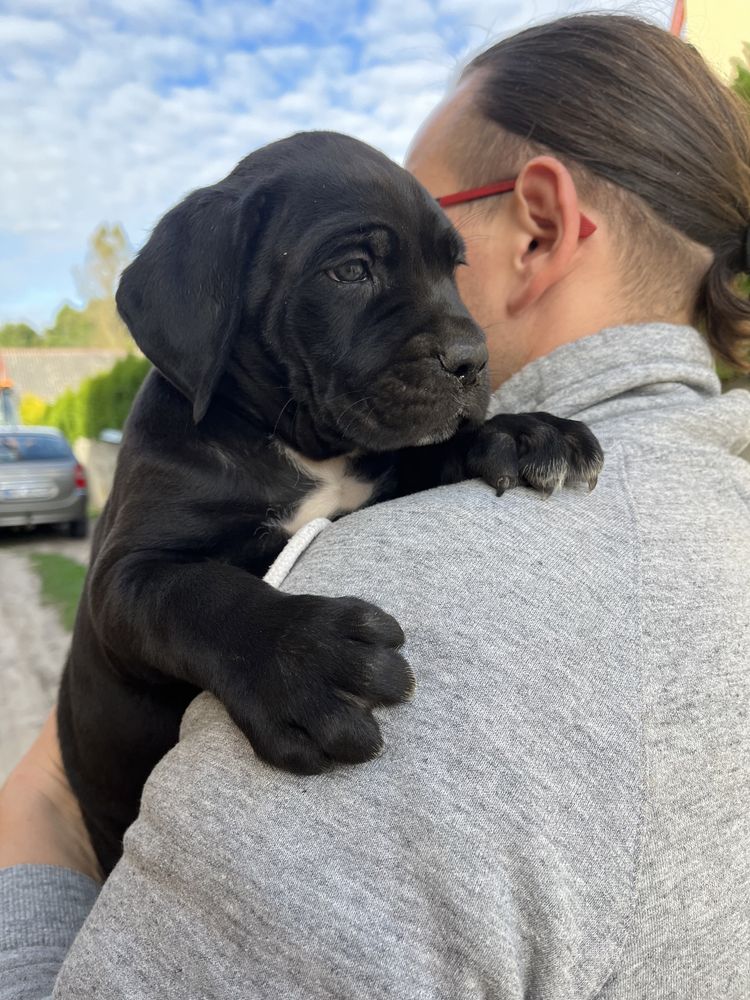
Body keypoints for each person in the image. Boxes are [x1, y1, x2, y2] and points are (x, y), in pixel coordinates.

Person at [2, 13, 749, 999]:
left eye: (443, 257)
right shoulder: (717, 492)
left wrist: (30, 818)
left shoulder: (435, 577)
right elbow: (136, 580)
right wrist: (257, 635)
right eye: (357, 268)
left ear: (541, 228)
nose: (451, 331)